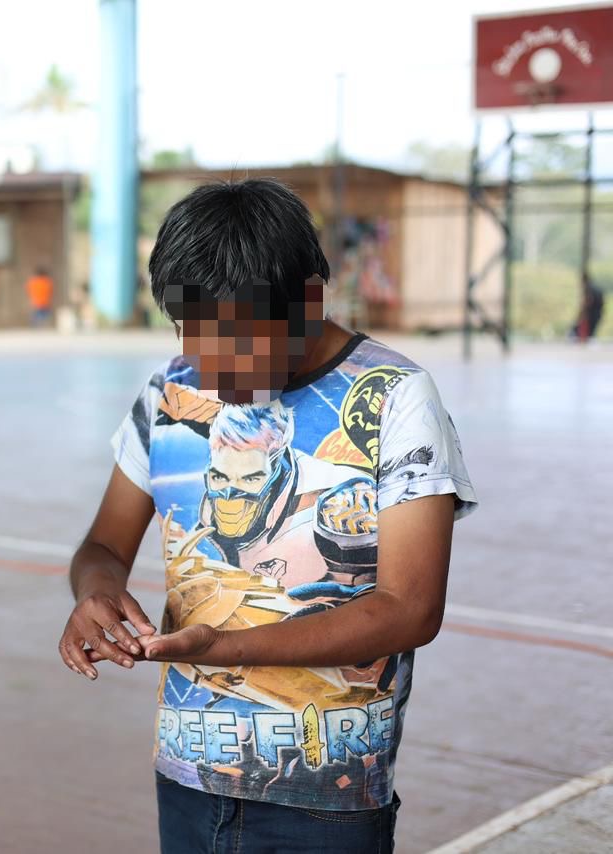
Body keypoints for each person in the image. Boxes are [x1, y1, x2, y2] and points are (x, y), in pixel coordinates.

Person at [58, 179, 477, 854]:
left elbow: (410, 608)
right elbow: (104, 543)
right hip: (190, 773)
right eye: (198, 342)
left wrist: (222, 647)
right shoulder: (171, 392)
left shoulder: (395, 397)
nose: (218, 374)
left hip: (328, 792)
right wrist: (95, 594)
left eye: (241, 344)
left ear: (309, 299)